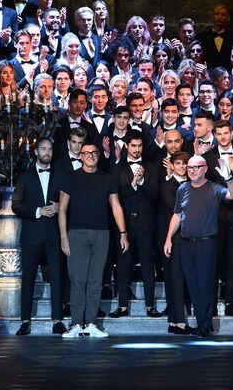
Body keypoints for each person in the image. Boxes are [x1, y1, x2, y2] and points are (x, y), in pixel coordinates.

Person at [163, 155, 233, 337]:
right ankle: (202, 323)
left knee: (205, 285)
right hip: (186, 244)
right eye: (189, 167)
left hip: (206, 243)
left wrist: (228, 177)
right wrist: (168, 238)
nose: (192, 170)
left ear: (205, 169)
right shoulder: (183, 188)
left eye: (196, 167)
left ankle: (205, 324)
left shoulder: (213, 188)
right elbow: (177, 215)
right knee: (193, 286)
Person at [58, 143, 129, 338]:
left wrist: (123, 233)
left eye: (94, 152)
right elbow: (62, 209)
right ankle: (76, 324)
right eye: (86, 153)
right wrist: (63, 236)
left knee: (96, 280)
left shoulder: (108, 180)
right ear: (80, 156)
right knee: (78, 280)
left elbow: (116, 207)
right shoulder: (70, 178)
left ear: (98, 155)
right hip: (77, 234)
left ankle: (91, 323)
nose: (90, 156)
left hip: (102, 234)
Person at [12, 138, 66, 335]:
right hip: (31, 235)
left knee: (57, 277)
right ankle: (25, 321)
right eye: (43, 149)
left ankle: (57, 320)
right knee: (28, 278)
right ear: (36, 152)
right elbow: (16, 205)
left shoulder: (60, 175)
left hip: (54, 234)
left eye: (50, 149)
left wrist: (60, 207)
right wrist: (38, 211)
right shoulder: (25, 176)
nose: (47, 152)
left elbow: (70, 201)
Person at [109, 130, 162, 318]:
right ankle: (122, 306)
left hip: (146, 224)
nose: (137, 149)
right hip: (124, 225)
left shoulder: (152, 167)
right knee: (123, 265)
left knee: (148, 264)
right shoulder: (117, 168)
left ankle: (150, 306)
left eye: (140, 146)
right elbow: (117, 197)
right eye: (133, 146)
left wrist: (142, 182)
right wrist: (134, 182)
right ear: (126, 146)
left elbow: (154, 195)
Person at [203, 120, 233, 316]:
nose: (223, 137)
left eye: (226, 133)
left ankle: (229, 302)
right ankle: (213, 303)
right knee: (214, 261)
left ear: (231, 134)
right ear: (215, 135)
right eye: (219, 134)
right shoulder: (207, 157)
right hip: (215, 216)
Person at [158, 152, 192, 334]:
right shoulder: (167, 186)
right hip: (173, 238)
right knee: (175, 279)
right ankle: (179, 322)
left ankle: (173, 322)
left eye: (185, 163)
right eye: (178, 163)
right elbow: (177, 210)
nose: (182, 167)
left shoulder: (193, 184)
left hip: (189, 238)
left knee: (180, 279)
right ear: (171, 165)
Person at [196, 4, 233, 70]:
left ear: (228, 18)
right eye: (217, 14)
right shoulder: (201, 37)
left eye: (223, 14)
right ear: (212, 17)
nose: (219, 17)